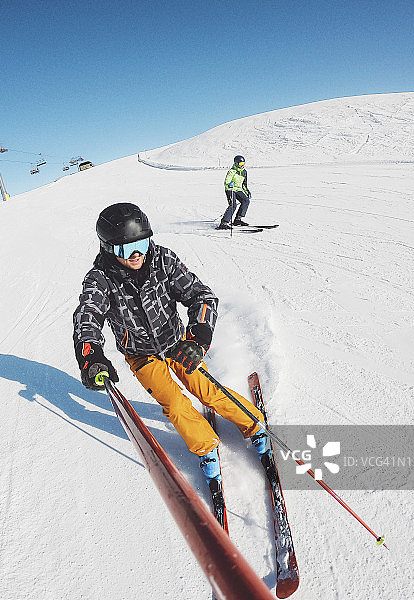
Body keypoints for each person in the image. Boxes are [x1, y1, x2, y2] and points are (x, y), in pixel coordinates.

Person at [73, 202, 271, 486]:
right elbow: (87, 316)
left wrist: (198, 339)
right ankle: (206, 447)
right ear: (108, 248)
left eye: (142, 243)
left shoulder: (163, 261)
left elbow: (201, 297)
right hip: (141, 355)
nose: (137, 254)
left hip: (176, 343)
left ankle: (254, 426)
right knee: (175, 404)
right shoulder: (100, 279)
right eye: (127, 249)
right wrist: (91, 356)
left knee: (206, 390)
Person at [217, 155, 252, 230]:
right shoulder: (232, 171)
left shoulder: (244, 172)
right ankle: (224, 223)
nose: (242, 166)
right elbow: (226, 181)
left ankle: (237, 220)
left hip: (238, 190)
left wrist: (247, 192)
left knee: (246, 201)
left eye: (243, 164)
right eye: (240, 164)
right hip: (230, 189)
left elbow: (244, 184)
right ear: (236, 164)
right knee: (233, 205)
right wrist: (229, 184)